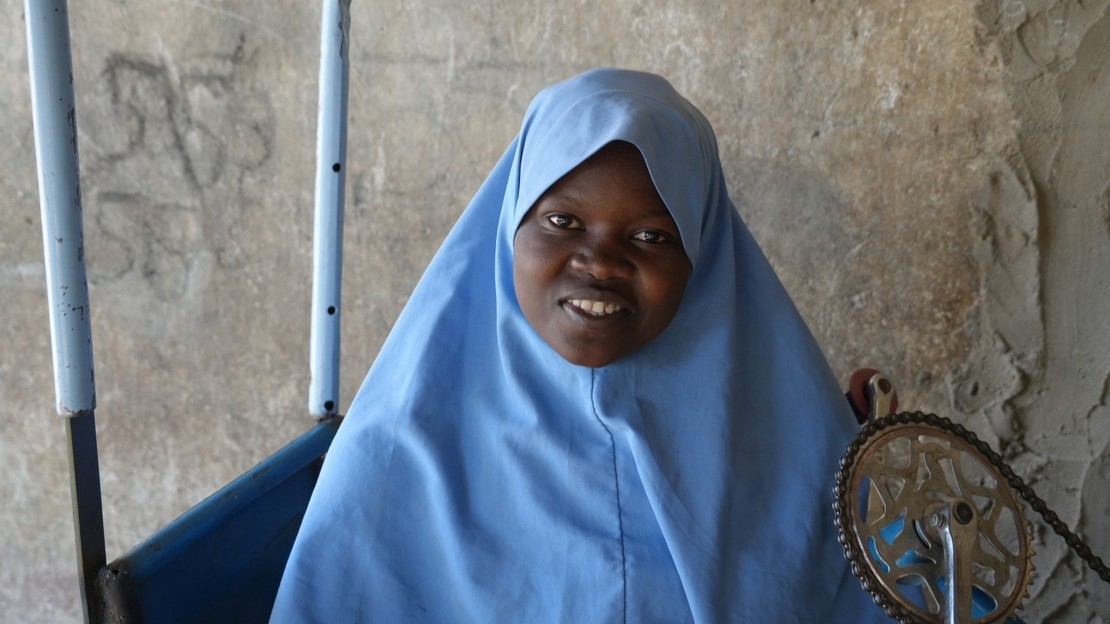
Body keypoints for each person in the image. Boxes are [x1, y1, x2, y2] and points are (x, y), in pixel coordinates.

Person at [270, 68, 888, 622]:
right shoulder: (401, 448)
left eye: (651, 235)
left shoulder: (802, 450)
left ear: (702, 252)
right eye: (563, 222)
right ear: (511, 221)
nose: (599, 263)